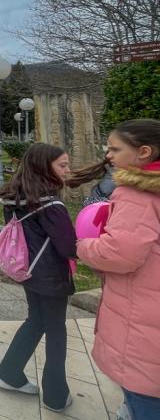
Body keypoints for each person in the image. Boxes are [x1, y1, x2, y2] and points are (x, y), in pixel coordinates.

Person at [76, 119, 160, 420]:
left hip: (144, 311)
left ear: (144, 152)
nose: (108, 154)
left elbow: (120, 253)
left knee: (144, 396)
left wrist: (83, 246)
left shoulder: (137, 193)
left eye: (115, 148)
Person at [0, 143, 76, 413]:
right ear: (44, 167)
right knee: (55, 330)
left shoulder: (16, 196)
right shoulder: (50, 204)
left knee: (36, 320)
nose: (68, 170)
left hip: (27, 267)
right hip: (51, 273)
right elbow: (67, 246)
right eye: (62, 165)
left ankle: (10, 372)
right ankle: (55, 394)